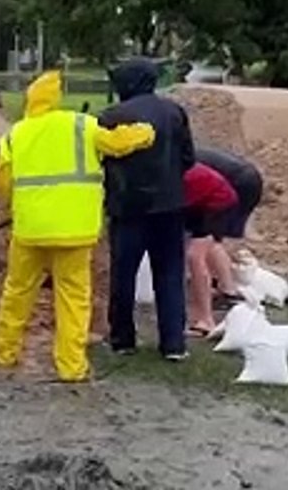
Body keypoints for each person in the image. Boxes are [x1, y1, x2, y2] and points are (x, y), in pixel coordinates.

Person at [0, 71, 153, 381]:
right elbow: (117, 143)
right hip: (74, 230)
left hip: (30, 229)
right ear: (58, 97)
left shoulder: (15, 134)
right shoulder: (81, 124)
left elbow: (3, 183)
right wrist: (145, 132)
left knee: (17, 292)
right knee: (73, 297)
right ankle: (70, 365)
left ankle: (5, 353)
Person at [100, 57, 196, 361]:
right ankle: (173, 343)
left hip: (127, 207)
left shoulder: (112, 116)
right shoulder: (174, 112)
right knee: (169, 273)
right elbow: (188, 159)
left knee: (123, 274)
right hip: (170, 205)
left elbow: (104, 161)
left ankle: (122, 338)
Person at [183, 147, 264, 337]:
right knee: (210, 241)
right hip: (246, 179)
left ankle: (210, 313)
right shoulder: (186, 152)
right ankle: (227, 290)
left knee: (199, 250)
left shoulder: (176, 161)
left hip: (235, 185)